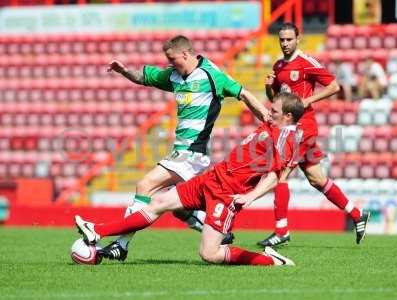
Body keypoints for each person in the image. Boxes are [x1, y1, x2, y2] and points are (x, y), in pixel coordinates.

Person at [75, 92, 304, 266]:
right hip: (212, 178)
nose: (268, 113)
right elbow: (260, 108)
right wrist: (244, 91)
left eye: (274, 111)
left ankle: (270, 260)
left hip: (226, 195)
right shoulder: (273, 124)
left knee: (209, 254)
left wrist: (250, 196)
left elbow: (277, 175)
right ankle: (97, 230)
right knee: (158, 203)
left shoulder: (287, 138)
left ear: (288, 116)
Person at [101, 35, 269, 261]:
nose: (170, 63)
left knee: (146, 185)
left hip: (192, 154)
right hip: (181, 152)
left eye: (173, 59)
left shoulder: (212, 76)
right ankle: (221, 232)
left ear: (185, 54)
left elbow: (244, 94)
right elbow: (143, 77)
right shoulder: (174, 75)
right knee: (180, 209)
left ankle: (120, 245)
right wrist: (124, 71)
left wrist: (267, 119)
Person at [258, 23, 370, 248]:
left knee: (281, 174)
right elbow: (276, 100)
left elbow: (334, 86)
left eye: (289, 39)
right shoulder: (278, 66)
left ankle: (281, 230)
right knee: (317, 179)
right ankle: (357, 214)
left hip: (303, 127)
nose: (285, 44)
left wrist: (308, 100)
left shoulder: (307, 62)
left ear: (298, 39)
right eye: (282, 40)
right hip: (289, 128)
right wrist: (270, 87)